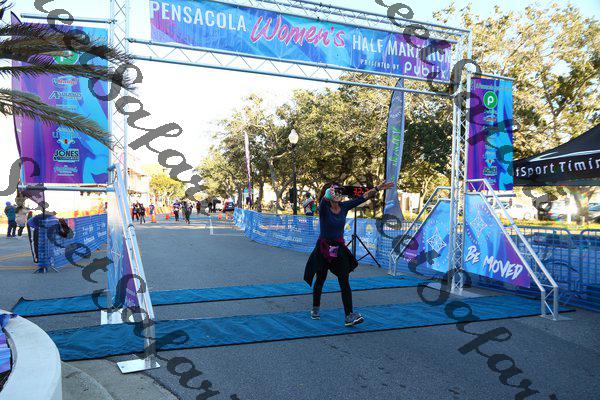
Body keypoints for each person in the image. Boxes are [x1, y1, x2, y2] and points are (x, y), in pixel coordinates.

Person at [304, 181, 393, 326]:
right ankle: (315, 307)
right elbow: (324, 199)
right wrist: (329, 193)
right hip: (323, 249)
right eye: (335, 191)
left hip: (338, 249)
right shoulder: (324, 207)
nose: (338, 193)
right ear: (329, 193)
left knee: (344, 280)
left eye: (339, 191)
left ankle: (349, 315)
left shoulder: (344, 206)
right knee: (320, 278)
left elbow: (363, 197)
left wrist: (377, 188)